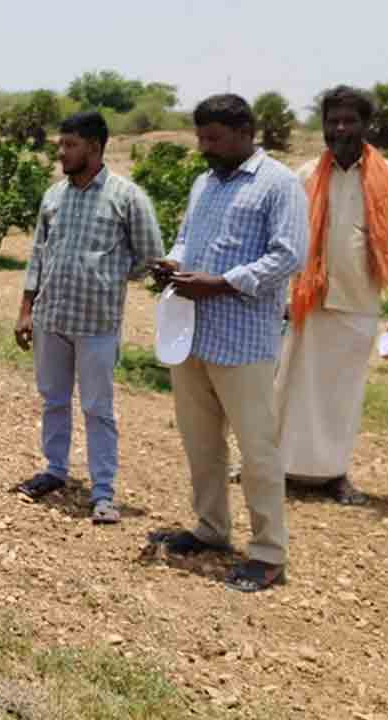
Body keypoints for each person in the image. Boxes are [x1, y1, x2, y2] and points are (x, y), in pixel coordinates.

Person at [149, 94, 307, 593]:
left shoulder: (278, 185)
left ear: (245, 132)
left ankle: (268, 553)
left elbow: (288, 256)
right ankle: (212, 528)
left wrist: (220, 282)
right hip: (192, 333)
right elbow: (185, 238)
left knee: (257, 450)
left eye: (213, 138)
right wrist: (173, 265)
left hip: (244, 341)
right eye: (200, 137)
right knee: (201, 442)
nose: (204, 147)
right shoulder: (204, 183)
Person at [13, 111, 164, 524]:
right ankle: (55, 471)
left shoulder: (126, 197)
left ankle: (103, 492)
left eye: (71, 145)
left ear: (96, 148)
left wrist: (110, 275)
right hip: (51, 318)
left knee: (98, 408)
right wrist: (26, 310)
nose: (62, 152)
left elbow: (150, 256)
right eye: (61, 144)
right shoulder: (54, 196)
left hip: (97, 323)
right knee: (53, 400)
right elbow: (37, 258)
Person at [275, 86, 388, 506]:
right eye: (332, 120)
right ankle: (277, 467)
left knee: (344, 391)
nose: (339, 128)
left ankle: (334, 473)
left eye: (349, 120)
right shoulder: (304, 176)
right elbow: (289, 240)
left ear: (366, 124)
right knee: (289, 385)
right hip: (305, 298)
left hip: (358, 297)